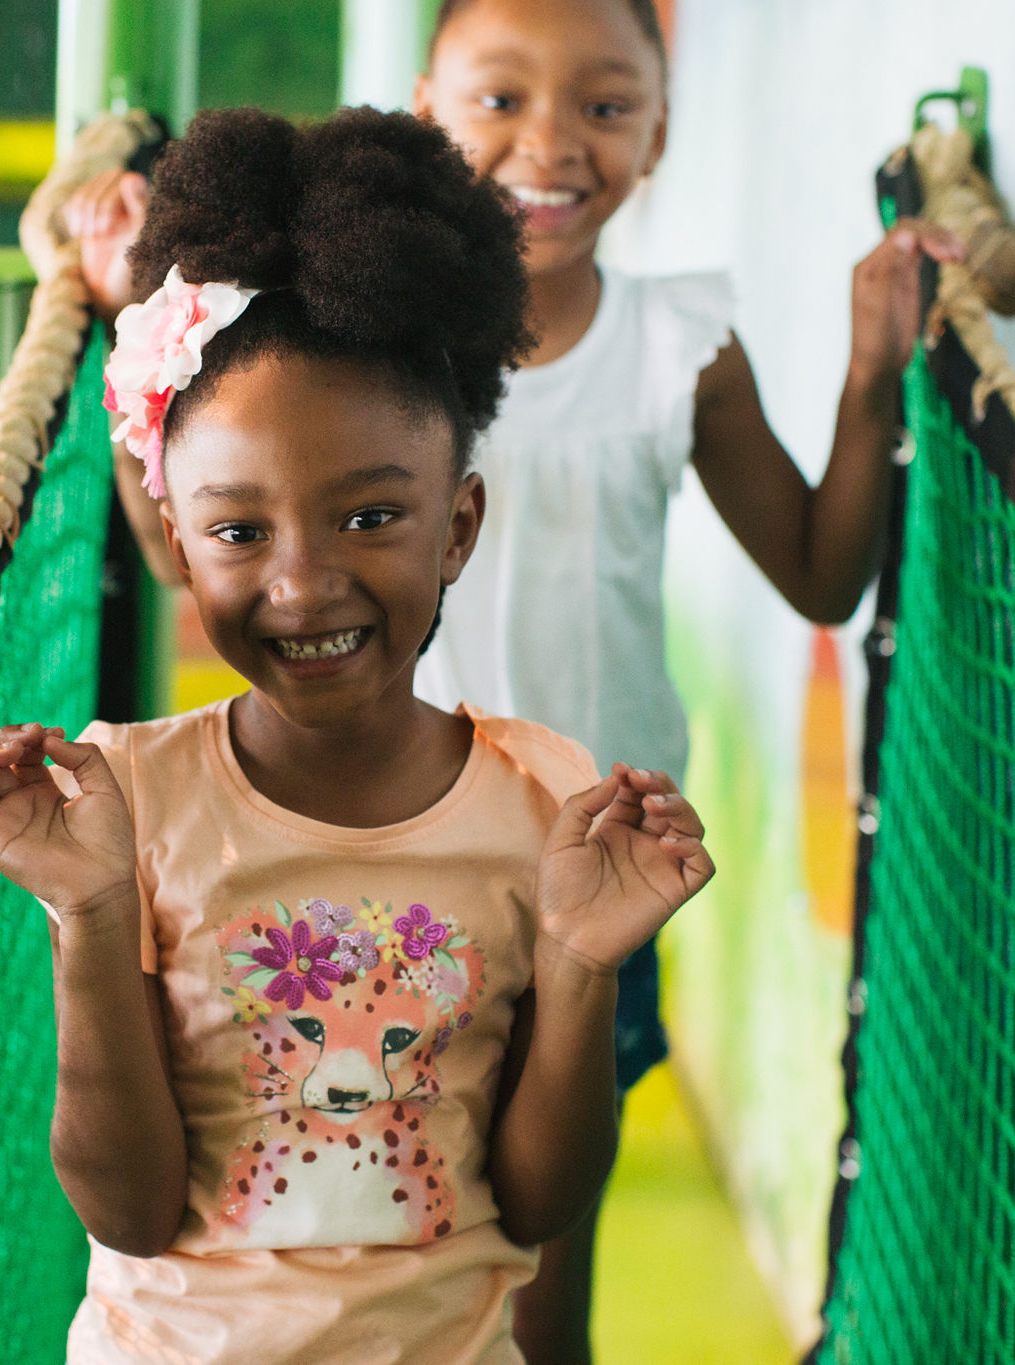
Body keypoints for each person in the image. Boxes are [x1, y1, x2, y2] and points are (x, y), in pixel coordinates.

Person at [65, 3, 960, 1357]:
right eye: (500, 101)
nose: (549, 143)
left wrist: (871, 376)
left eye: (606, 105)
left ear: (662, 129)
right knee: (322, 1206)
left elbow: (822, 578)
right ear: (428, 106)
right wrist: (112, 290)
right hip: (350, 858)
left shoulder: (678, 349)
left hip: (581, 864)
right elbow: (191, 533)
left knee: (533, 1263)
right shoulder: (334, 361)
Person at [0, 106, 715, 1363]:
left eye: (368, 518)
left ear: (457, 525)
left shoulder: (542, 801)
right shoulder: (125, 802)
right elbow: (127, 1211)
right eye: (240, 533)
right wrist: (88, 919)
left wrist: (584, 968)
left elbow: (538, 1202)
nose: (302, 585)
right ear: (179, 542)